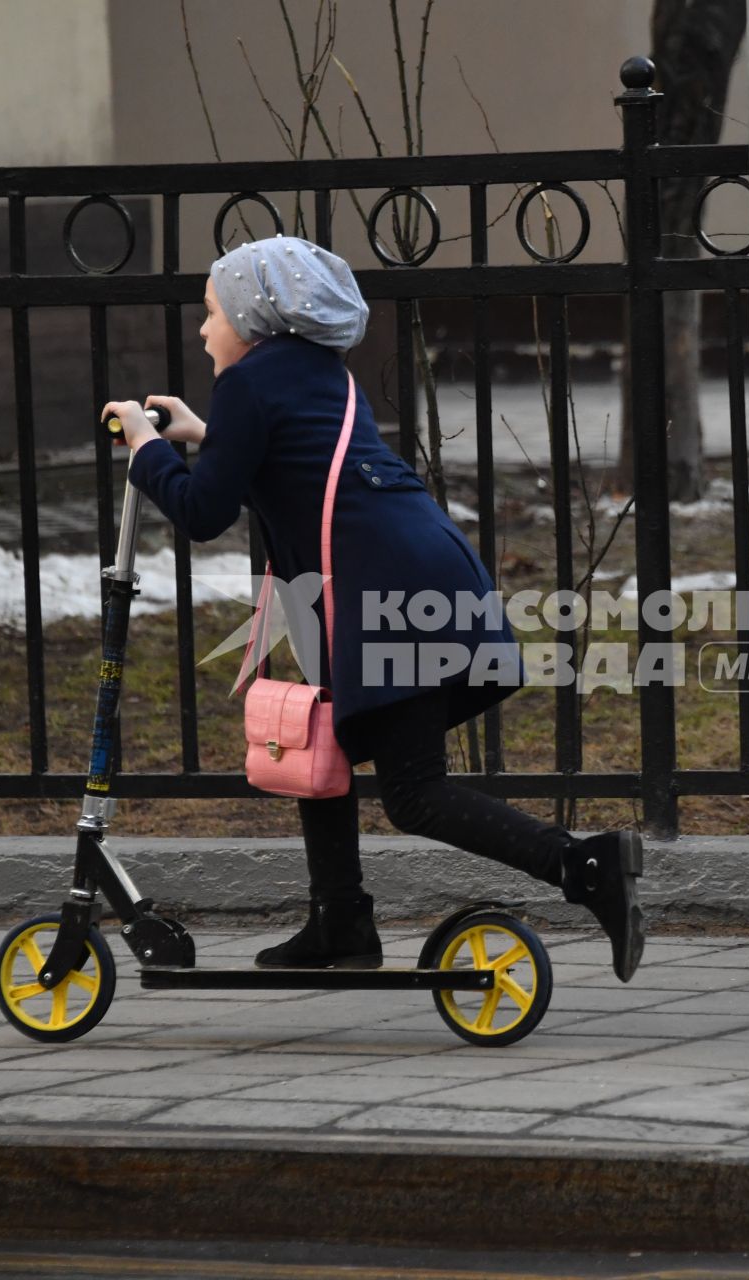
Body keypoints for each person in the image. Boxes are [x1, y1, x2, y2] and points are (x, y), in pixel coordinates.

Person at [101, 234, 644, 982]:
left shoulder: (251, 384)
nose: (203, 330)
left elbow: (201, 510)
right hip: (419, 572)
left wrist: (144, 449)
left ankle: (584, 864)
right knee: (316, 742)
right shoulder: (319, 372)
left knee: (414, 793)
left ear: (254, 318)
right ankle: (339, 922)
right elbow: (290, 453)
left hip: (387, 591)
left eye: (212, 313)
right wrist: (202, 434)